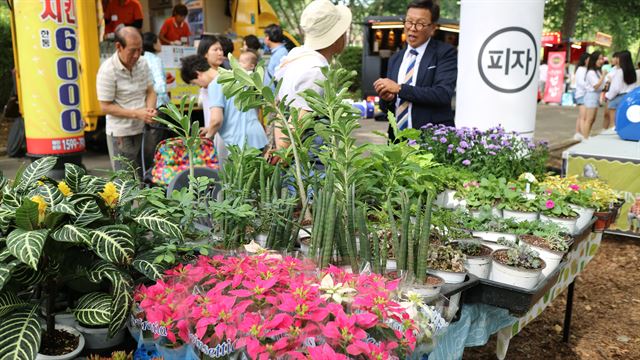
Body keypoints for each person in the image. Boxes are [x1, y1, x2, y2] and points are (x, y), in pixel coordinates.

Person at [273, 0, 351, 155]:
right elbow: (297, 123)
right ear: (335, 38)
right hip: (309, 168)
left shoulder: (296, 58)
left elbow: (278, 111)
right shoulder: (315, 71)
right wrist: (281, 154)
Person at [374, 0, 458, 136]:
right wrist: (387, 99)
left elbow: (443, 94)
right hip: (398, 141)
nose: (412, 28)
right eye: (409, 21)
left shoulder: (445, 53)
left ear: (433, 28)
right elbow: (387, 109)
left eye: (420, 23)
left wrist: (400, 89)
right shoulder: (396, 59)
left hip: (432, 141)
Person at [180, 54, 268, 154]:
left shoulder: (215, 84)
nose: (200, 86)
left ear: (198, 74)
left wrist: (207, 139)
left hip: (240, 143)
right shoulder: (234, 76)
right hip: (258, 136)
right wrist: (209, 128)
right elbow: (237, 114)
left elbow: (216, 120)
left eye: (195, 83)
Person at [97, 27, 156, 173]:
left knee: (147, 175)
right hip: (121, 134)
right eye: (132, 50)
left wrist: (150, 109)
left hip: (143, 129)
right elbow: (104, 107)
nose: (137, 55)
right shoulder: (107, 70)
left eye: (140, 50)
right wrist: (137, 114)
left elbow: (151, 91)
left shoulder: (143, 63)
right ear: (119, 47)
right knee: (126, 181)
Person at [141, 32, 171, 171]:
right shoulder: (155, 59)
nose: (160, 43)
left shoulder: (141, 59)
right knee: (156, 141)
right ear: (153, 43)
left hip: (144, 106)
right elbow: (160, 86)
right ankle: (155, 172)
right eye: (158, 40)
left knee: (147, 141)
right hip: (158, 105)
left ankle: (147, 171)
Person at [605, 50, 638, 132]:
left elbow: (615, 89)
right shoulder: (632, 72)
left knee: (613, 126)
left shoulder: (619, 72)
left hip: (617, 99)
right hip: (628, 98)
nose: (616, 59)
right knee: (623, 124)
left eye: (618, 58)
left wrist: (607, 96)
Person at [581, 51, 607, 139]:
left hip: (596, 96)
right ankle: (585, 138)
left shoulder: (597, 71)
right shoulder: (591, 72)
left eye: (602, 58)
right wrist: (603, 76)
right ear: (594, 60)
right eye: (599, 59)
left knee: (592, 119)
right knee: (589, 119)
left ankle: (587, 136)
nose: (601, 61)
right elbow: (596, 86)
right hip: (591, 96)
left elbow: (601, 86)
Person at [572, 52, 590, 141]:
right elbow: (581, 83)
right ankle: (584, 135)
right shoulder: (581, 69)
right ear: (585, 60)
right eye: (589, 59)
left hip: (585, 94)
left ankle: (578, 133)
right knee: (584, 117)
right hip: (582, 95)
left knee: (581, 116)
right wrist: (590, 86)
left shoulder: (586, 69)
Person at [602, 52, 619, 131]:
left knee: (613, 116)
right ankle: (604, 130)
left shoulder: (621, 70)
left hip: (614, 94)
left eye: (614, 57)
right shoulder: (613, 69)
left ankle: (611, 130)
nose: (612, 59)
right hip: (609, 93)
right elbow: (606, 79)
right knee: (606, 114)